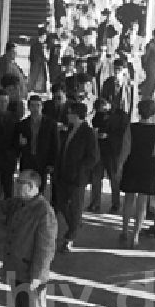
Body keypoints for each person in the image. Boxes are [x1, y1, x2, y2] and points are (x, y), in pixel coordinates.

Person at [4, 170, 57, 307]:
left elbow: (46, 247)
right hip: (17, 269)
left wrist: (38, 275)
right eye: (17, 182)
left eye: (22, 183)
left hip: (31, 274)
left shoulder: (44, 212)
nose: (17, 186)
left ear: (34, 187)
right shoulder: (20, 204)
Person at [54, 101, 99, 253]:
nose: (67, 115)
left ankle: (71, 235)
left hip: (77, 177)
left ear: (76, 114)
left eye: (70, 113)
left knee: (75, 205)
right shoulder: (69, 130)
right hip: (64, 174)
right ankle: (74, 224)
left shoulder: (88, 132)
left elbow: (93, 157)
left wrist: (80, 169)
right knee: (61, 203)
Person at [118, 99, 155, 247]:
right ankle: (136, 234)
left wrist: (119, 166)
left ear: (139, 111)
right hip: (148, 166)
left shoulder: (131, 128)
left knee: (128, 199)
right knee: (142, 203)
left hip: (132, 164)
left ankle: (124, 230)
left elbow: (125, 149)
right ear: (153, 113)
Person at [89, 97, 129, 214]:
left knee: (114, 178)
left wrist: (109, 136)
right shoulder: (98, 115)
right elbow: (95, 124)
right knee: (96, 177)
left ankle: (115, 203)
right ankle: (95, 202)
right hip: (100, 149)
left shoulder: (120, 115)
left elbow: (124, 133)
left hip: (113, 151)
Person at [16, 93, 59, 193]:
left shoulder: (50, 124)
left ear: (42, 106)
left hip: (42, 161)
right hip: (27, 160)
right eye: (32, 105)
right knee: (26, 188)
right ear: (29, 107)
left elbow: (55, 145)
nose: (35, 108)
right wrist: (20, 143)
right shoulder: (23, 124)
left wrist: (52, 163)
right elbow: (16, 144)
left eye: (38, 105)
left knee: (40, 188)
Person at [140, 28, 155, 100]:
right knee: (149, 87)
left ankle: (149, 101)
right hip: (151, 69)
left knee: (153, 87)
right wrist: (146, 68)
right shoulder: (150, 45)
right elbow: (145, 58)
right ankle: (145, 102)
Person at [29, 26, 50, 93]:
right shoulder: (36, 45)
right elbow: (33, 57)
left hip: (41, 66)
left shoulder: (44, 45)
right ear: (43, 35)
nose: (45, 37)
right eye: (45, 36)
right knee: (37, 81)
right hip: (37, 66)